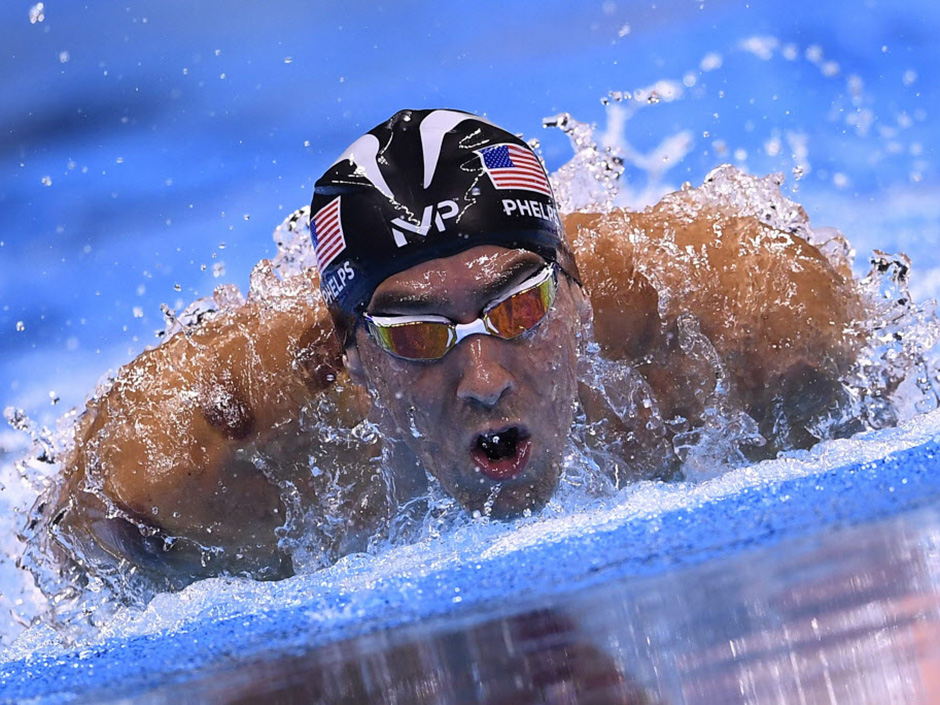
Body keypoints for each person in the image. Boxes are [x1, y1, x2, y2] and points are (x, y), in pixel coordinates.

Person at [37, 109, 865, 594]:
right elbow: (82, 530)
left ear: (574, 294)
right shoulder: (209, 461)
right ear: (350, 355)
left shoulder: (743, 325)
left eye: (519, 307)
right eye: (417, 336)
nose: (484, 378)